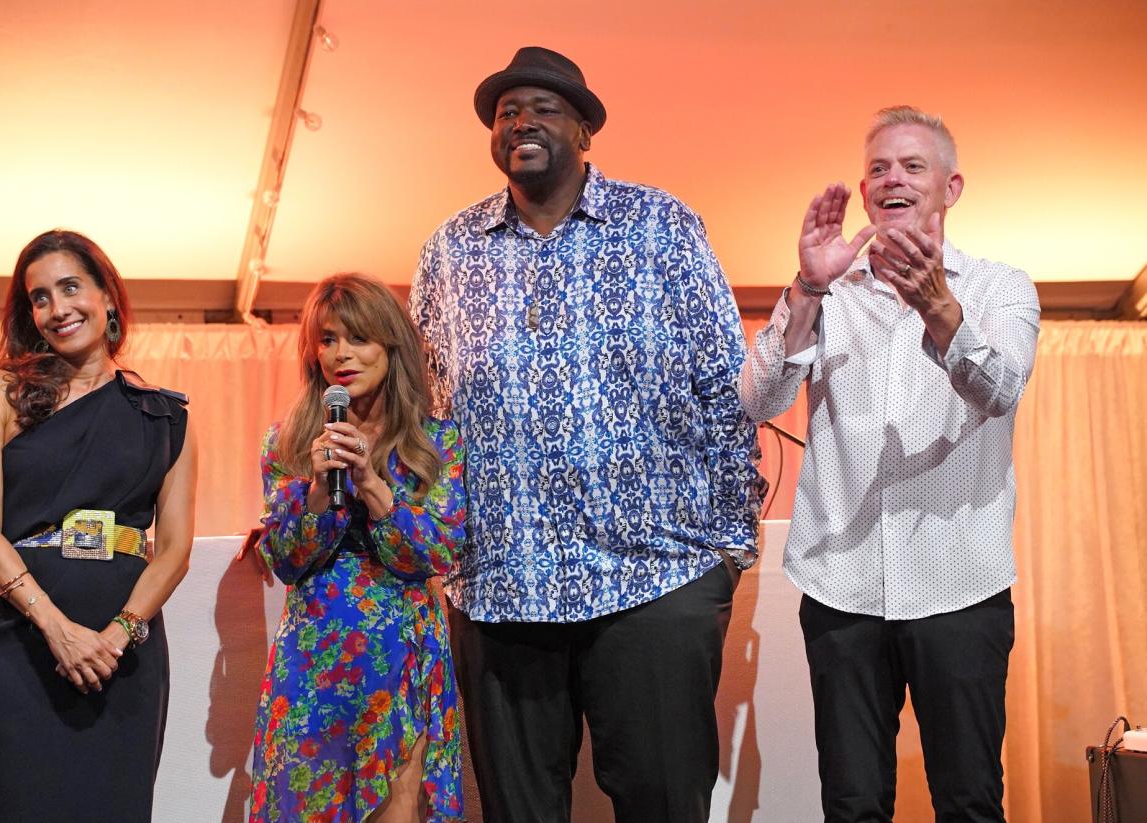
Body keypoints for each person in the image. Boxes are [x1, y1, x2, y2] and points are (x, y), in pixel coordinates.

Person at [411, 46, 763, 822]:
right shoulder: (448, 250)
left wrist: (728, 553)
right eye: (506, 113)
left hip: (656, 582)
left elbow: (725, 387)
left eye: (543, 108)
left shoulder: (661, 226)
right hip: (502, 589)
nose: (521, 123)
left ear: (585, 131)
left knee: (665, 805)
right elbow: (424, 415)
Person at [740, 105, 1041, 821]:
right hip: (841, 588)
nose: (891, 179)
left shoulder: (1001, 287)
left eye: (912, 166)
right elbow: (757, 398)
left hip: (960, 585)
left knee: (968, 800)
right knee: (851, 803)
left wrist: (940, 309)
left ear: (950, 187)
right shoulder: (829, 295)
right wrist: (807, 289)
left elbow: (998, 390)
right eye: (878, 167)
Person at [0, 229, 197, 822]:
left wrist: (117, 635)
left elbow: (174, 550)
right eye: (40, 297)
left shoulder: (165, 417)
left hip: (125, 653)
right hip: (15, 640)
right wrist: (56, 629)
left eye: (70, 288)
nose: (58, 309)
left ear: (108, 295)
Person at [249, 273, 466, 823]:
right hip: (314, 656)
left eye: (358, 338)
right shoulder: (289, 443)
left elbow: (438, 554)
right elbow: (284, 560)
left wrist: (371, 485)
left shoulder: (435, 443)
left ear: (391, 347)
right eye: (326, 340)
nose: (340, 354)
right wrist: (320, 492)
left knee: (396, 804)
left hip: (401, 654)